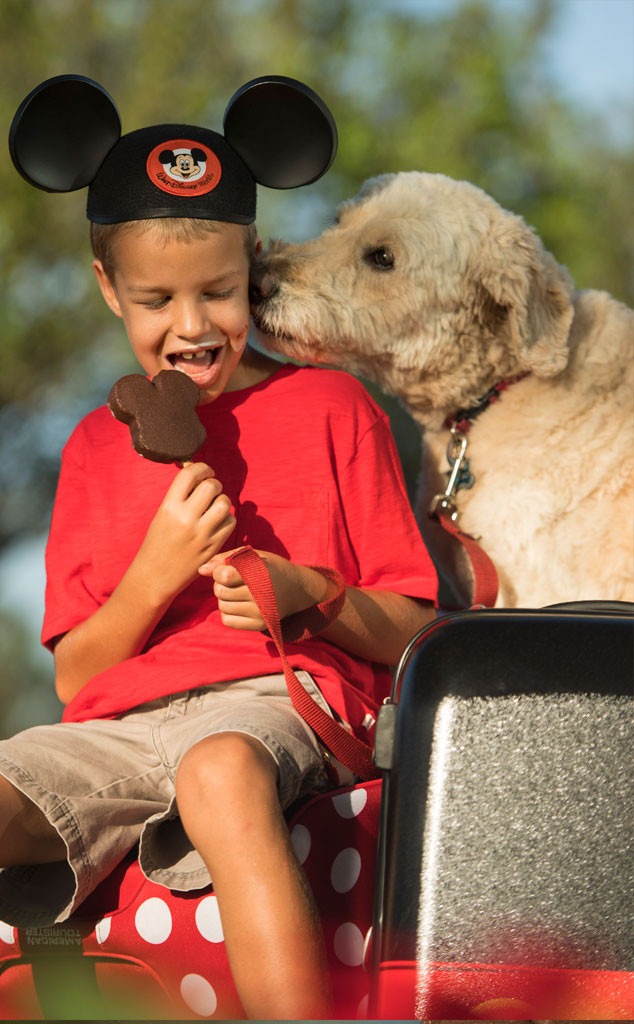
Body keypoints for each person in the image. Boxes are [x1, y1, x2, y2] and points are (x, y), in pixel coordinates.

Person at [1, 75, 437, 1019]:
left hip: (275, 702)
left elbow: (412, 634)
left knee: (217, 770)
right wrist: (156, 574)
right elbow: (80, 677)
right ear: (109, 287)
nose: (192, 327)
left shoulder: (330, 407)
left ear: (254, 269)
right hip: (116, 729)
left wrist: (305, 590)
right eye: (157, 298)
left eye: (220, 292)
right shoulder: (89, 447)